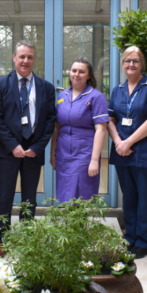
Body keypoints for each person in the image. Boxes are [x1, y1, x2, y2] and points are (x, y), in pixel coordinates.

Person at [0, 40, 56, 255]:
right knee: (4, 195)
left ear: (34, 59)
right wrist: (13, 146)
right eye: (21, 57)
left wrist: (38, 146)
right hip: (8, 151)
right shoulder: (0, 84)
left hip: (32, 152)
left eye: (29, 57)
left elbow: (50, 121)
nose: (25, 61)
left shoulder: (45, 87)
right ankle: (2, 239)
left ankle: (27, 237)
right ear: (14, 58)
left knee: (30, 197)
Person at [108, 46, 147, 259]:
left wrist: (128, 141)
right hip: (123, 152)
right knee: (129, 197)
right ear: (122, 64)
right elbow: (110, 120)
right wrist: (118, 142)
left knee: (146, 198)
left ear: (142, 64)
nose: (131, 65)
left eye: (135, 61)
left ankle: (143, 242)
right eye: (127, 61)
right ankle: (130, 237)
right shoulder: (118, 89)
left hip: (146, 152)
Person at [50, 57, 109, 202]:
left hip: (84, 153)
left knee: (82, 194)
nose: (76, 74)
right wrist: (53, 154)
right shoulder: (62, 96)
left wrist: (94, 160)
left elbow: (101, 130)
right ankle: (68, 225)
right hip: (63, 153)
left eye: (81, 72)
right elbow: (57, 128)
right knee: (65, 194)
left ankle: (81, 225)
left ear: (89, 75)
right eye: (74, 70)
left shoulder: (96, 97)